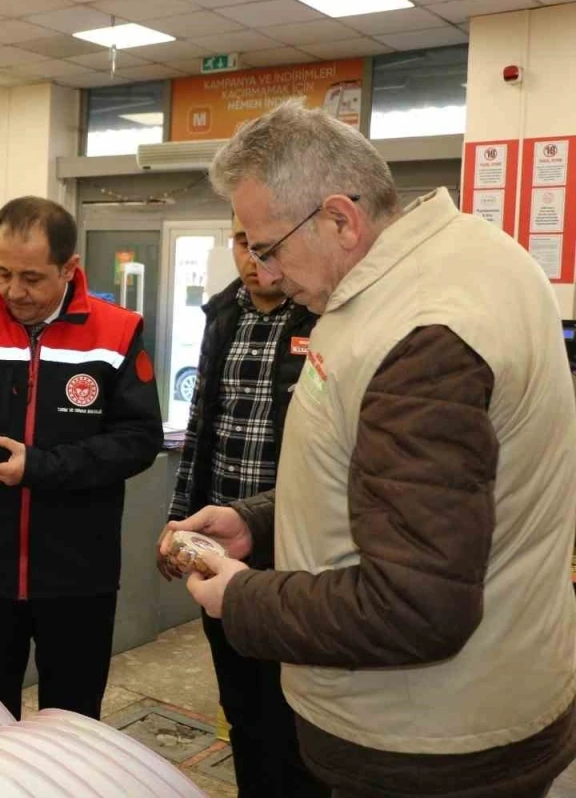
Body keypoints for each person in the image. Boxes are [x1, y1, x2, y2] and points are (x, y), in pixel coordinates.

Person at [169, 101, 576, 798]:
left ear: (339, 220)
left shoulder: (423, 336)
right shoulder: (467, 257)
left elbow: (415, 608)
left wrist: (244, 598)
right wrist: (260, 522)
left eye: (267, 247)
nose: (262, 269)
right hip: (479, 708)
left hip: (428, 743)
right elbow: (401, 484)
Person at [0, 196, 162, 720]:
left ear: (69, 268)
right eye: (3, 273)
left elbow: (138, 439)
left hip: (78, 576)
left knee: (71, 721)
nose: (14, 292)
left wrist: (38, 468)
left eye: (32, 277)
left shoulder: (117, 332)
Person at [159, 217, 324, 797]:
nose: (255, 258)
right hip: (217, 541)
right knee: (241, 704)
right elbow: (202, 424)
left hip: (293, 549)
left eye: (266, 245)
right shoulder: (221, 314)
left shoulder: (322, 316)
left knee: (294, 712)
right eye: (241, 243)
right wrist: (179, 522)